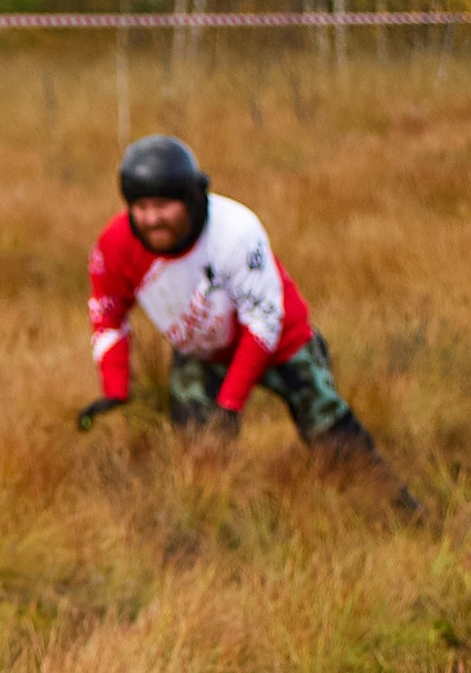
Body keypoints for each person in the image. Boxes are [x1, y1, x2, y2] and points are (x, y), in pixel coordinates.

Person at [79, 134, 419, 514]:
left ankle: (399, 513)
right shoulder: (114, 246)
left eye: (163, 205)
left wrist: (231, 403)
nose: (151, 218)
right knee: (199, 453)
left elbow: (263, 322)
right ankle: (215, 526)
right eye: (140, 207)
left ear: (191, 198)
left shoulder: (235, 231)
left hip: (279, 342)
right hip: (203, 351)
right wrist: (115, 390)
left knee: (332, 434)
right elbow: (107, 316)